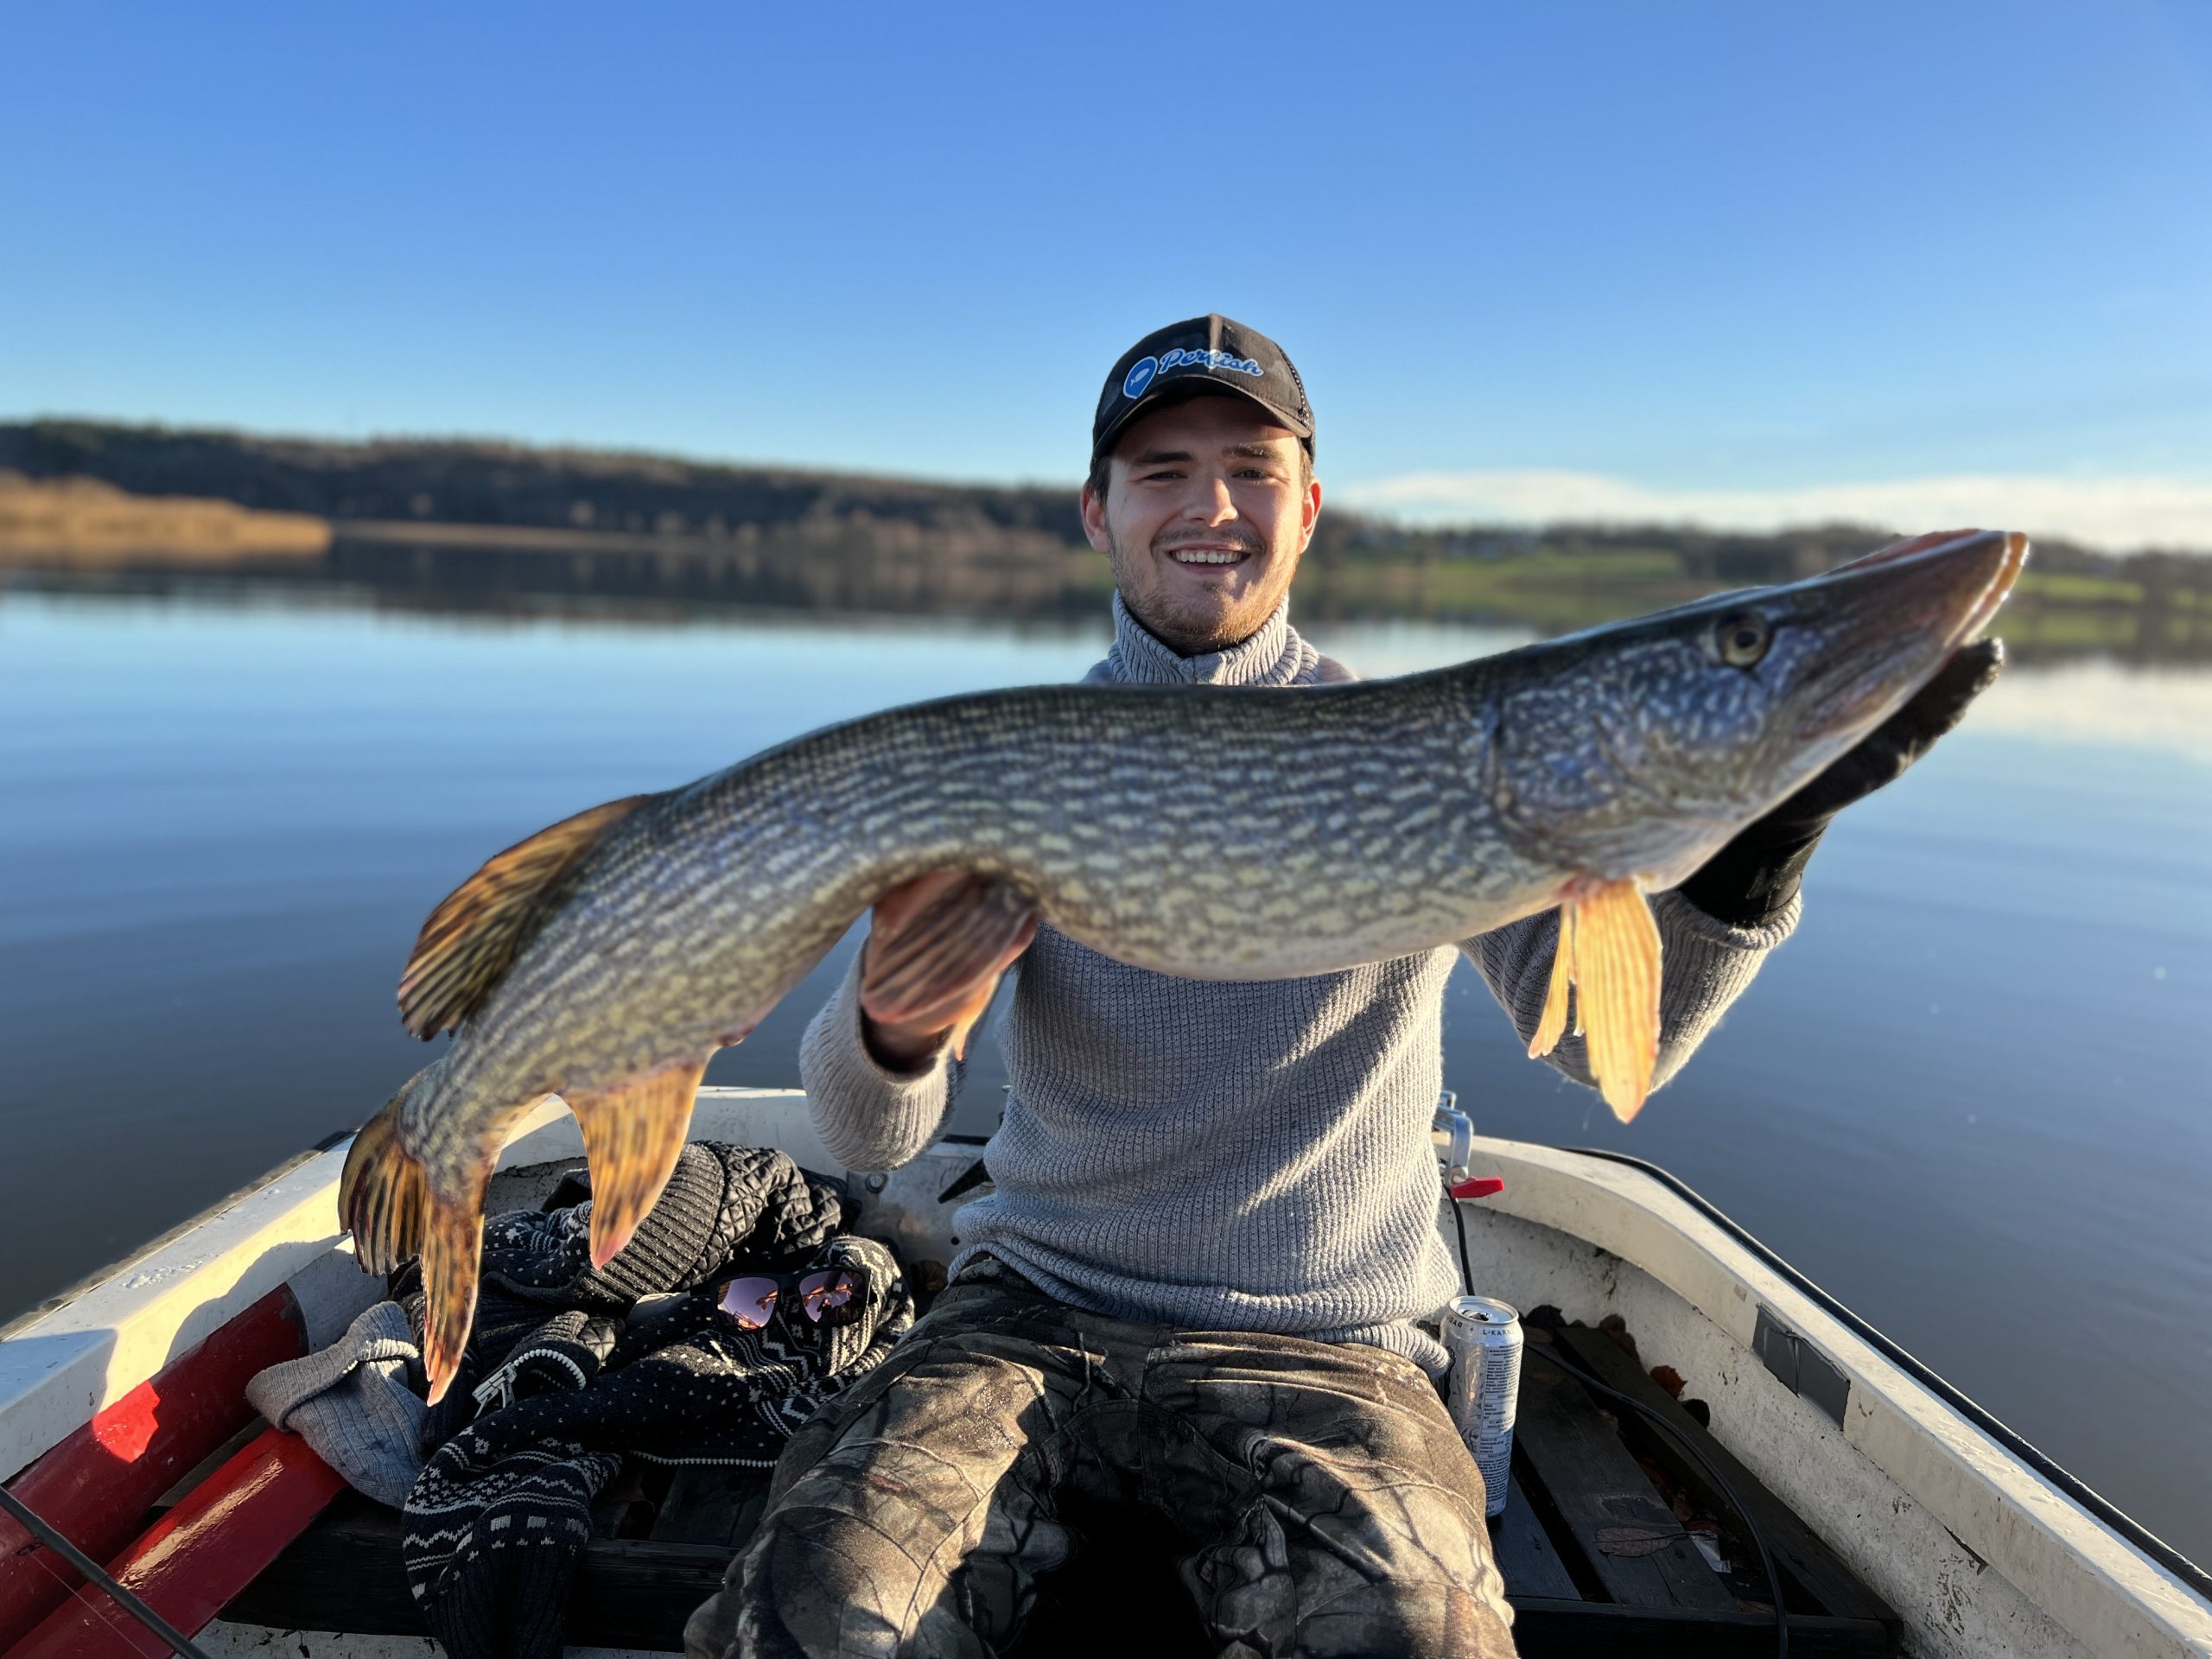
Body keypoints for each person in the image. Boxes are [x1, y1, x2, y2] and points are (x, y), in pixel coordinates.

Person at [687, 315, 2002, 1659]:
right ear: (1099, 511)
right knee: (811, 1612)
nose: (1212, 505)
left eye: (1254, 469)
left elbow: (1627, 1041)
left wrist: (1772, 835)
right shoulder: (1014, 761)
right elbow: (865, 1140)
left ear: (1308, 508)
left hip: (1335, 1351)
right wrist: (896, 1031)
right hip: (1027, 1315)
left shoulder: (1451, 755)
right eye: (1162, 471)